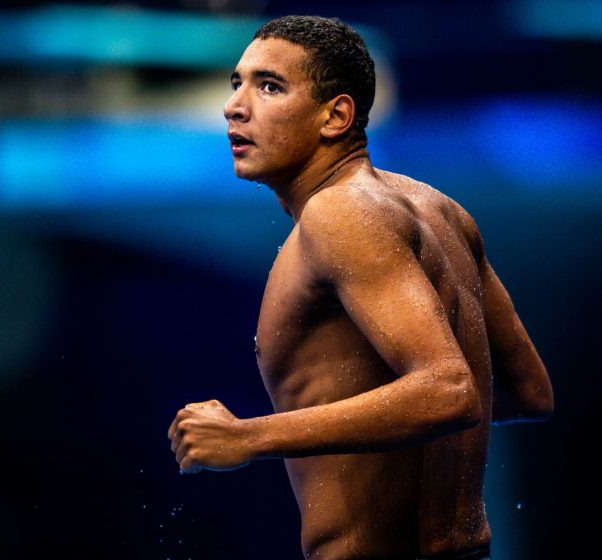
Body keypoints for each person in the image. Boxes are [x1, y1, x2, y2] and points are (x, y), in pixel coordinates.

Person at [166, 15, 554, 560]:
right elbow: (528, 393)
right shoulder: (438, 208)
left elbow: (449, 391)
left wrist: (248, 437)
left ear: (336, 116)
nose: (235, 106)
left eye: (270, 86)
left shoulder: (340, 214)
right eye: (238, 84)